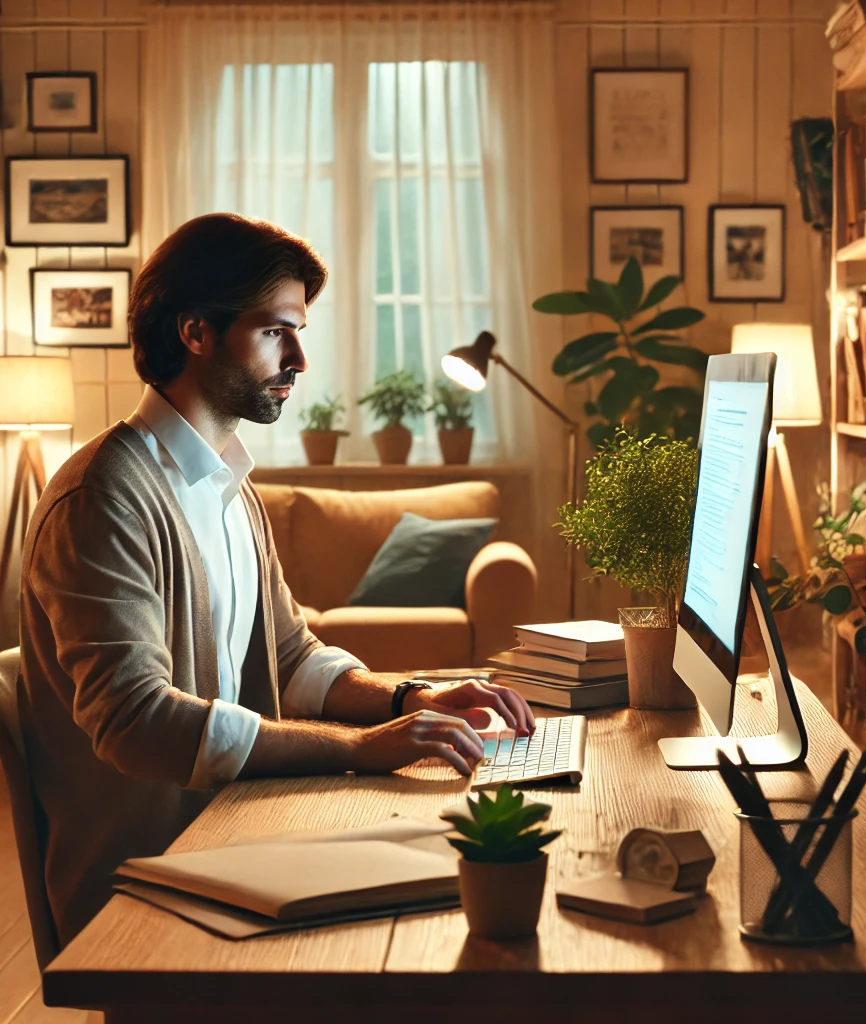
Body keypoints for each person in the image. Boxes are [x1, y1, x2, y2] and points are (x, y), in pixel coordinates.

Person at [18, 213, 534, 945]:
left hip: (241, 836)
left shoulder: (227, 480)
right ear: (196, 333)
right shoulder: (103, 497)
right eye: (274, 332)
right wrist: (359, 749)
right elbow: (134, 724)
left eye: (298, 332)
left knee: (459, 878)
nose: (298, 358)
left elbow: (292, 657)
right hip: (148, 890)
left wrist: (409, 698)